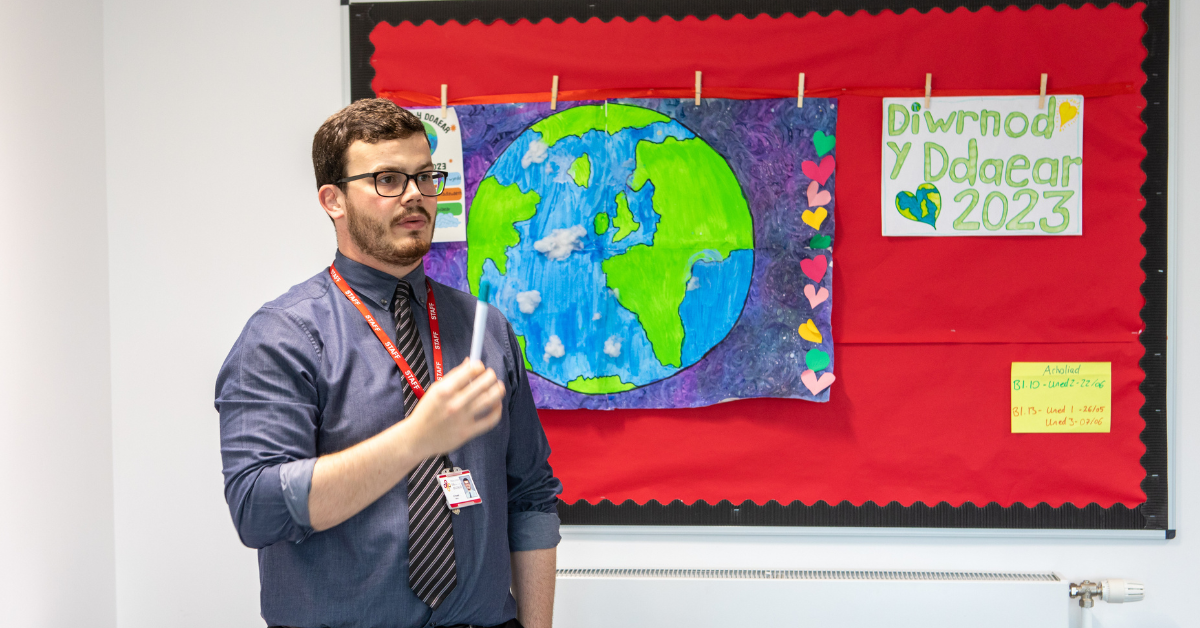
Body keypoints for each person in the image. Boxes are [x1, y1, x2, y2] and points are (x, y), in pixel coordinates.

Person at [216, 98, 562, 628]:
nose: (415, 195)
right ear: (333, 200)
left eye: (426, 177)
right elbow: (258, 509)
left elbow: (531, 496)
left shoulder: (484, 328)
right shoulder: (283, 335)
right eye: (387, 180)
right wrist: (415, 440)